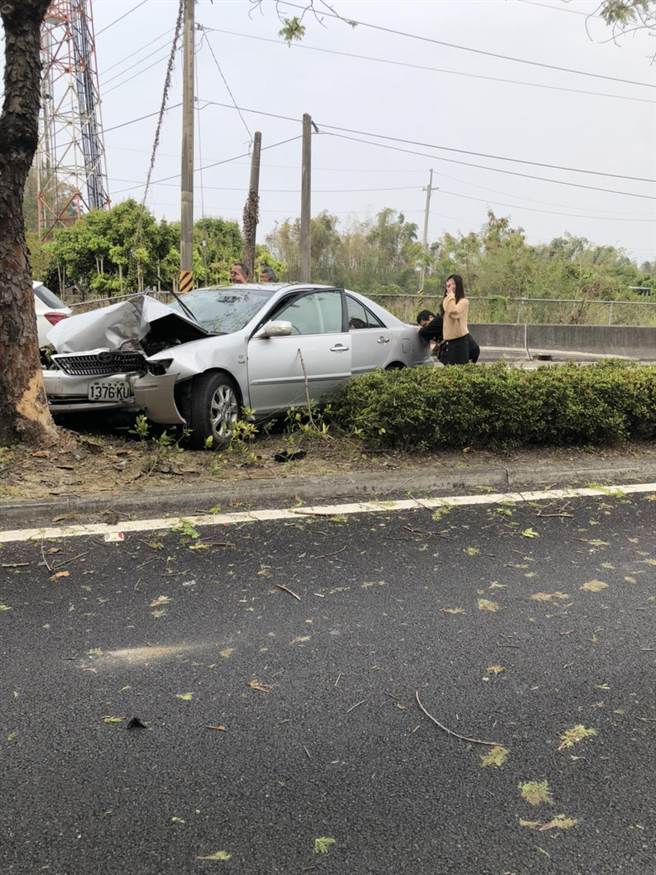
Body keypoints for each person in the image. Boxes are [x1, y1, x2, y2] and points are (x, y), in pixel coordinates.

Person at [440, 274, 471, 365]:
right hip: (449, 341)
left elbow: (453, 312)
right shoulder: (447, 300)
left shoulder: (464, 301)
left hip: (460, 340)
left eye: (453, 283)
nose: (449, 286)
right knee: (450, 371)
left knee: (460, 370)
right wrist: (450, 296)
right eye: (448, 284)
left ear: (458, 285)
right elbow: (448, 309)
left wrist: (450, 295)